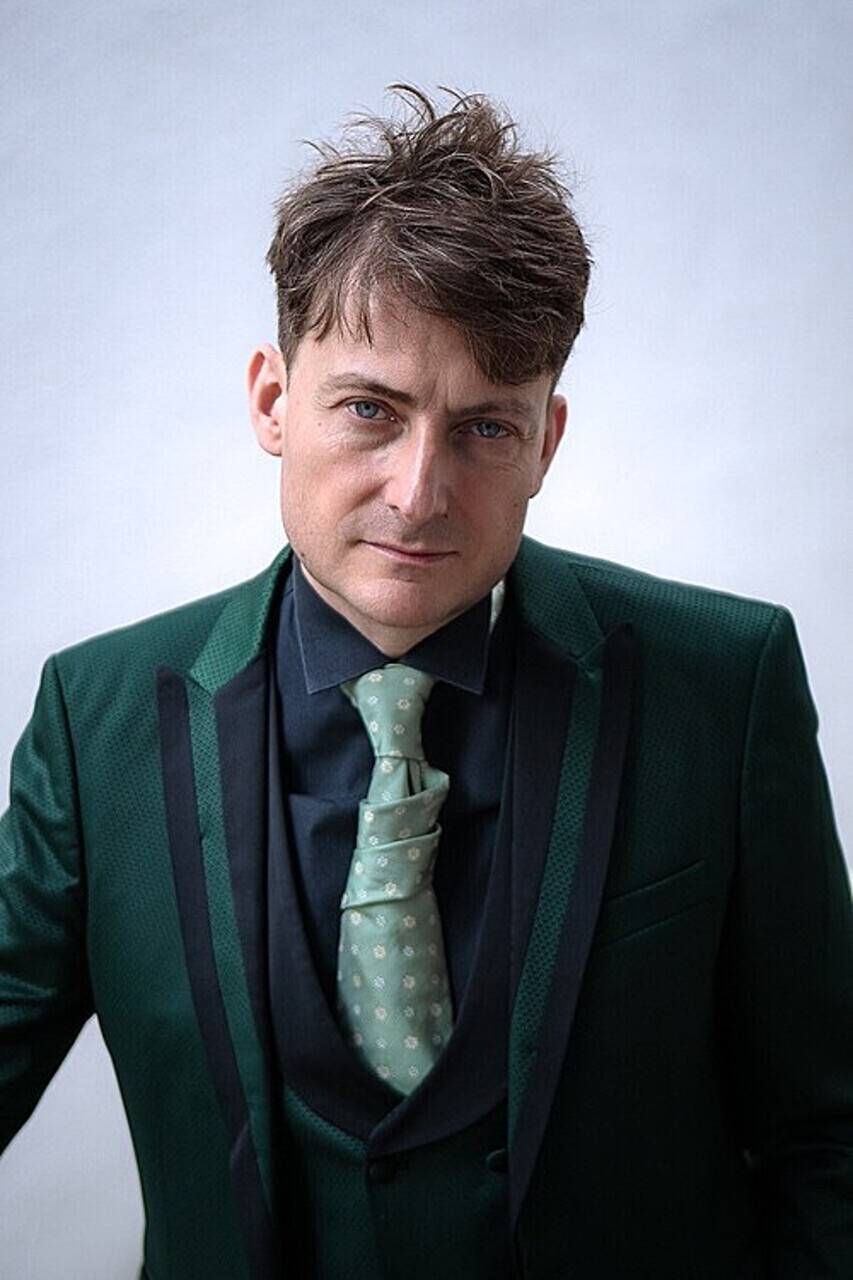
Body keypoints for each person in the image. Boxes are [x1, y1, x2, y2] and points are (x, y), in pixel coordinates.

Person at [1, 85, 851, 1280]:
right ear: (272, 402)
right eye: (369, 409)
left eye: (483, 428)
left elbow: (827, 1134)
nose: (417, 491)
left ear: (546, 439)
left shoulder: (724, 681)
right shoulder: (96, 723)